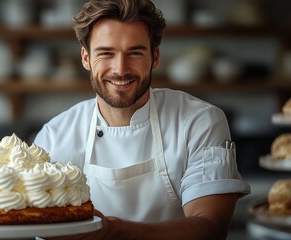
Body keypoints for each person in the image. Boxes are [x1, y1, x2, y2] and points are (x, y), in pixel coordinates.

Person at [33, 0, 251, 239]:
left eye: (135, 53)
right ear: (85, 58)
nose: (120, 68)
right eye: (106, 53)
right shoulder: (55, 136)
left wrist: (113, 231)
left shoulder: (199, 121)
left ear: (155, 56)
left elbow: (210, 228)